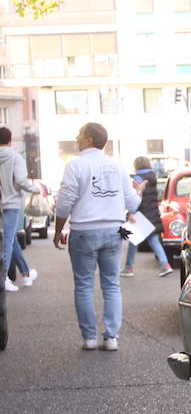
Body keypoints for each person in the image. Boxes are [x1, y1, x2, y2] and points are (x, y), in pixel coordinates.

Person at [53, 122, 140, 350]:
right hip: (114, 230)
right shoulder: (117, 167)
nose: (77, 136)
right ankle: (111, 337)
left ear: (89, 139)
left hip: (84, 231)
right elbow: (133, 203)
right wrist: (138, 191)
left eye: (80, 133)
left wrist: (59, 229)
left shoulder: (76, 165)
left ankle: (89, 338)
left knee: (83, 285)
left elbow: (64, 203)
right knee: (111, 285)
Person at [122, 156, 174, 277]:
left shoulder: (138, 178)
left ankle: (128, 267)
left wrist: (131, 213)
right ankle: (165, 265)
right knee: (154, 241)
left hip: (141, 214)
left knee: (133, 241)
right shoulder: (153, 177)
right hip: (153, 213)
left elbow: (136, 198)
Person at [0, 126, 35, 292]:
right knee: (7, 241)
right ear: (10, 139)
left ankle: (26, 274)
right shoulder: (15, 157)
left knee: (11, 239)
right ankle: (3, 278)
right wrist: (34, 189)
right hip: (11, 203)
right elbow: (21, 180)